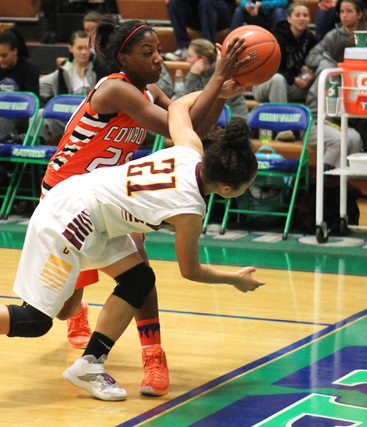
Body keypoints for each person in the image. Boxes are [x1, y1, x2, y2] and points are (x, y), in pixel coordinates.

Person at [0, 89, 265, 397]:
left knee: (138, 279)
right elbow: (190, 270)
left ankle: (89, 364)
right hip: (70, 217)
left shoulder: (189, 150)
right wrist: (235, 279)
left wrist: (219, 85)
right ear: (228, 189)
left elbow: (180, 106)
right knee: (34, 320)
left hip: (92, 210)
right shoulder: (190, 209)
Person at [42, 18, 246, 397]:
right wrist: (215, 79)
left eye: (159, 51)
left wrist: (220, 91)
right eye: (147, 52)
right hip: (65, 194)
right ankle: (78, 306)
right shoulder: (116, 90)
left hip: (111, 194)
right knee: (62, 308)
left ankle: (153, 356)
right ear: (124, 57)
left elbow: (189, 128)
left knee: (140, 276)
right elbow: (173, 129)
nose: (158, 59)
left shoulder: (149, 90)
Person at [303, 0, 367, 168]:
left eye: (349, 11)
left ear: (360, 14)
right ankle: (322, 182)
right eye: (342, 11)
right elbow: (327, 112)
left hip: (338, 120)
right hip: (316, 121)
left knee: (354, 138)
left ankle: (343, 185)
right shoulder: (328, 75)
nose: (344, 15)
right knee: (340, 139)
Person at [38, 31, 100, 145]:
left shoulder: (99, 67)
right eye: (79, 48)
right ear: (70, 49)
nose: (84, 52)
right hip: (69, 113)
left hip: (92, 115)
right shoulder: (64, 69)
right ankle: (37, 153)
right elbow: (62, 98)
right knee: (38, 115)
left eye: (87, 48)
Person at [252, 2, 318, 106]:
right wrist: (294, 80)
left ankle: (314, 116)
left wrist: (309, 71)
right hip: (266, 84)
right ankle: (281, 119)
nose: (302, 18)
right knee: (278, 79)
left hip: (289, 85)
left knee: (318, 75)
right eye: (297, 15)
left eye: (305, 15)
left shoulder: (309, 38)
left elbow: (319, 53)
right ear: (289, 19)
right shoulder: (277, 37)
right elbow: (271, 70)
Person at [0, 29, 40, 141]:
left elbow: (33, 98)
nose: (0, 59)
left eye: (4, 56)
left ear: (14, 51)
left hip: (21, 112)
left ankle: (0, 156)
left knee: (5, 119)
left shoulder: (30, 67)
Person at [184, 38, 249, 119]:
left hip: (234, 119)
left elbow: (194, 104)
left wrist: (192, 75)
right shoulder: (200, 74)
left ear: (202, 59)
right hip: (213, 122)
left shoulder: (222, 73)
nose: (187, 60)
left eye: (190, 56)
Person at [164, 0, 234, 61]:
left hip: (221, 12)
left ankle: (206, 51)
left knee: (206, 2)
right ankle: (183, 48)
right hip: (197, 12)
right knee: (174, 2)